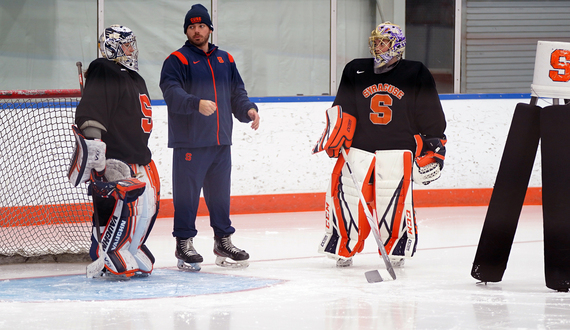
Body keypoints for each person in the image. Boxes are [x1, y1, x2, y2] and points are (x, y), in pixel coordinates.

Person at [313, 22, 447, 268]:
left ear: (397, 44)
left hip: (398, 149)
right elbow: (341, 108)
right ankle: (344, 246)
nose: (378, 46)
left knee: (393, 204)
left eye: (383, 41)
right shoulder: (356, 69)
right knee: (346, 198)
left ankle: (395, 248)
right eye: (375, 41)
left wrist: (434, 144)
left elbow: (430, 114)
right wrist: (335, 134)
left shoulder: (416, 72)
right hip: (358, 149)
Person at [159, 4, 260, 271]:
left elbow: (236, 92)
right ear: (187, 31)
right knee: (187, 195)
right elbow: (170, 92)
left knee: (219, 195)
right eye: (191, 27)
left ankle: (223, 241)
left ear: (209, 29)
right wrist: (196, 103)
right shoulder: (177, 60)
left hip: (220, 141)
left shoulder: (225, 60)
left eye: (201, 26)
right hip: (190, 142)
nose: (196, 31)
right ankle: (184, 243)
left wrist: (248, 109)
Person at [69, 25, 160, 278]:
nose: (133, 49)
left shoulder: (134, 76)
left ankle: (132, 246)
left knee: (146, 207)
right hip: (116, 157)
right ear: (114, 47)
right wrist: (95, 146)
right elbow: (93, 108)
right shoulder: (105, 68)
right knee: (121, 208)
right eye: (127, 44)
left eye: (133, 44)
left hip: (138, 155)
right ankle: (106, 251)